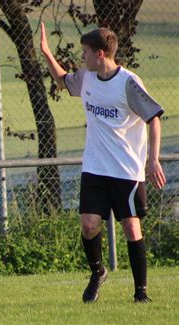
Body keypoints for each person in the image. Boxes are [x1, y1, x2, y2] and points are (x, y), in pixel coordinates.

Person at [40, 22, 166, 303]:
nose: (82, 57)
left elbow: (154, 118)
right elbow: (62, 81)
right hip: (95, 167)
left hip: (126, 170)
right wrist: (47, 53)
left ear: (100, 54)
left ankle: (140, 293)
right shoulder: (87, 78)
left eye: (85, 52)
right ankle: (98, 272)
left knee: (132, 228)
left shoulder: (128, 83)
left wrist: (153, 159)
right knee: (88, 225)